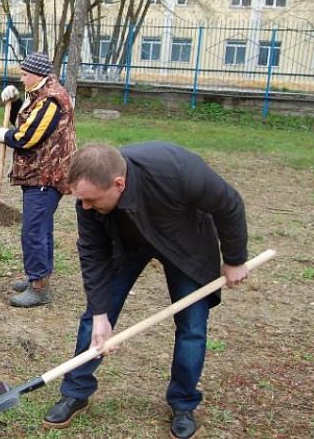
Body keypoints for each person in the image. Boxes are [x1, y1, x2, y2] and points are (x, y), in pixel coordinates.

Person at [42, 142, 249, 439]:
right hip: (125, 244)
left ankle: (183, 403)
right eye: (81, 200)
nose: (85, 207)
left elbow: (228, 203)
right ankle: (76, 393)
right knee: (94, 318)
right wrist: (101, 313)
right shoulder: (87, 198)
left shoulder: (177, 171)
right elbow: (93, 253)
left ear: (119, 184)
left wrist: (234, 259)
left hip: (185, 245)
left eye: (91, 201)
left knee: (192, 325)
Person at [0, 51, 77, 308]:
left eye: (24, 74)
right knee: (41, 229)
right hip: (40, 173)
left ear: (36, 75)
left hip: (46, 174)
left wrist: (6, 136)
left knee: (33, 230)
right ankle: (38, 276)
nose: (21, 78)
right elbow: (30, 120)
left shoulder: (51, 100)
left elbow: (28, 136)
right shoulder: (41, 95)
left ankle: (39, 287)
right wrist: (16, 103)